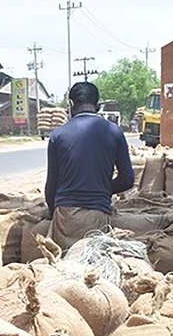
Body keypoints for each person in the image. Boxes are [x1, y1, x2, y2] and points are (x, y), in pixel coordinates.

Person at [45, 81, 135, 250]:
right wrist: (101, 189)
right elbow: (127, 179)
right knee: (94, 266)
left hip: (65, 216)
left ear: (70, 105)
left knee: (63, 266)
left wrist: (52, 213)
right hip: (97, 214)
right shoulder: (114, 131)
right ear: (98, 106)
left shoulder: (57, 135)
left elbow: (51, 185)